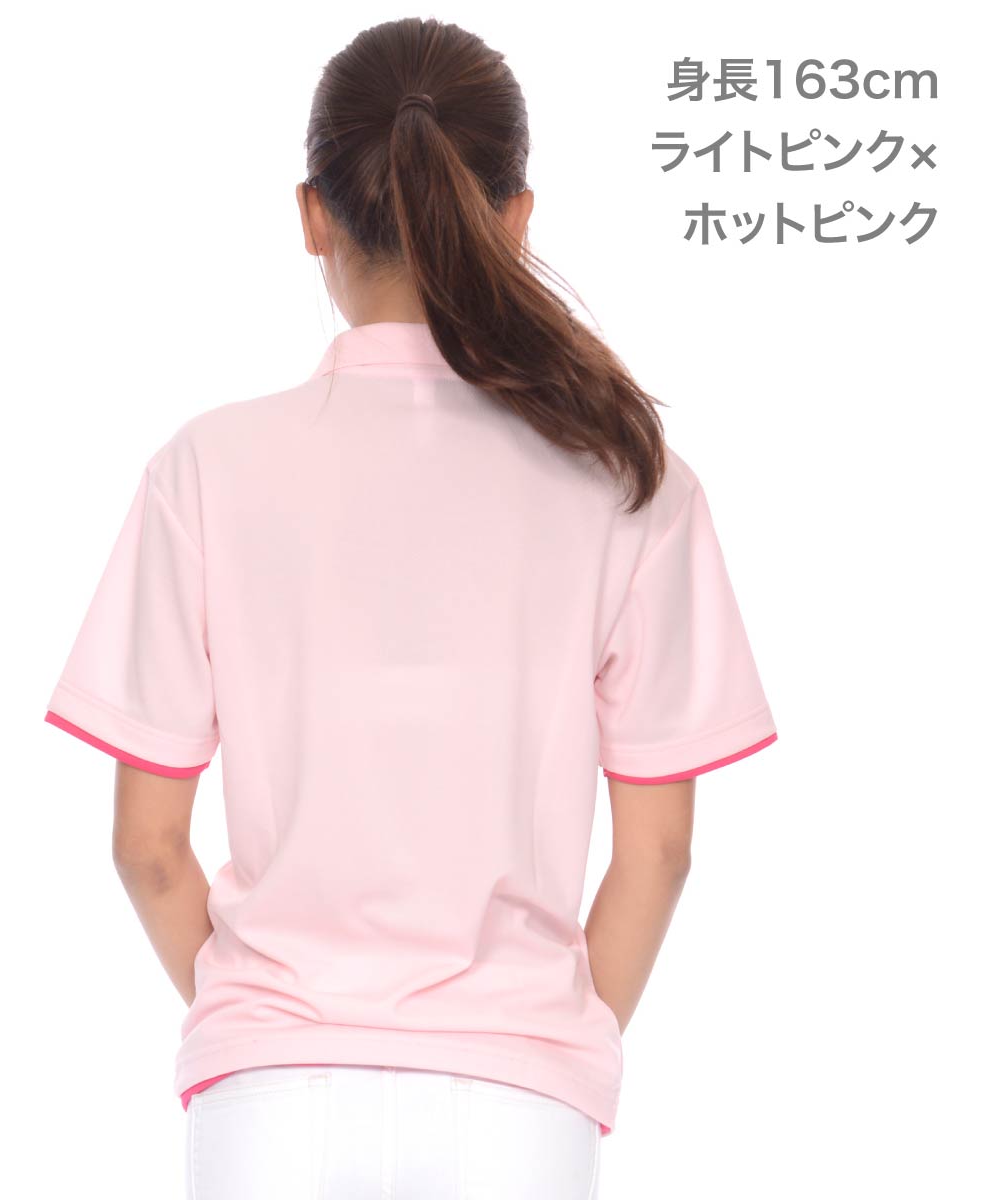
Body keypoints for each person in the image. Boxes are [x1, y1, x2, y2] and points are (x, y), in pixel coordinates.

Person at [43, 16, 778, 1199]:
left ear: (312, 215)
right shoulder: (630, 476)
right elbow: (661, 851)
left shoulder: (207, 468)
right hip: (520, 1107)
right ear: (518, 218)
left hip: (270, 1101)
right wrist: (542, 1040)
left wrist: (265, 1016)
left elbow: (147, 848)